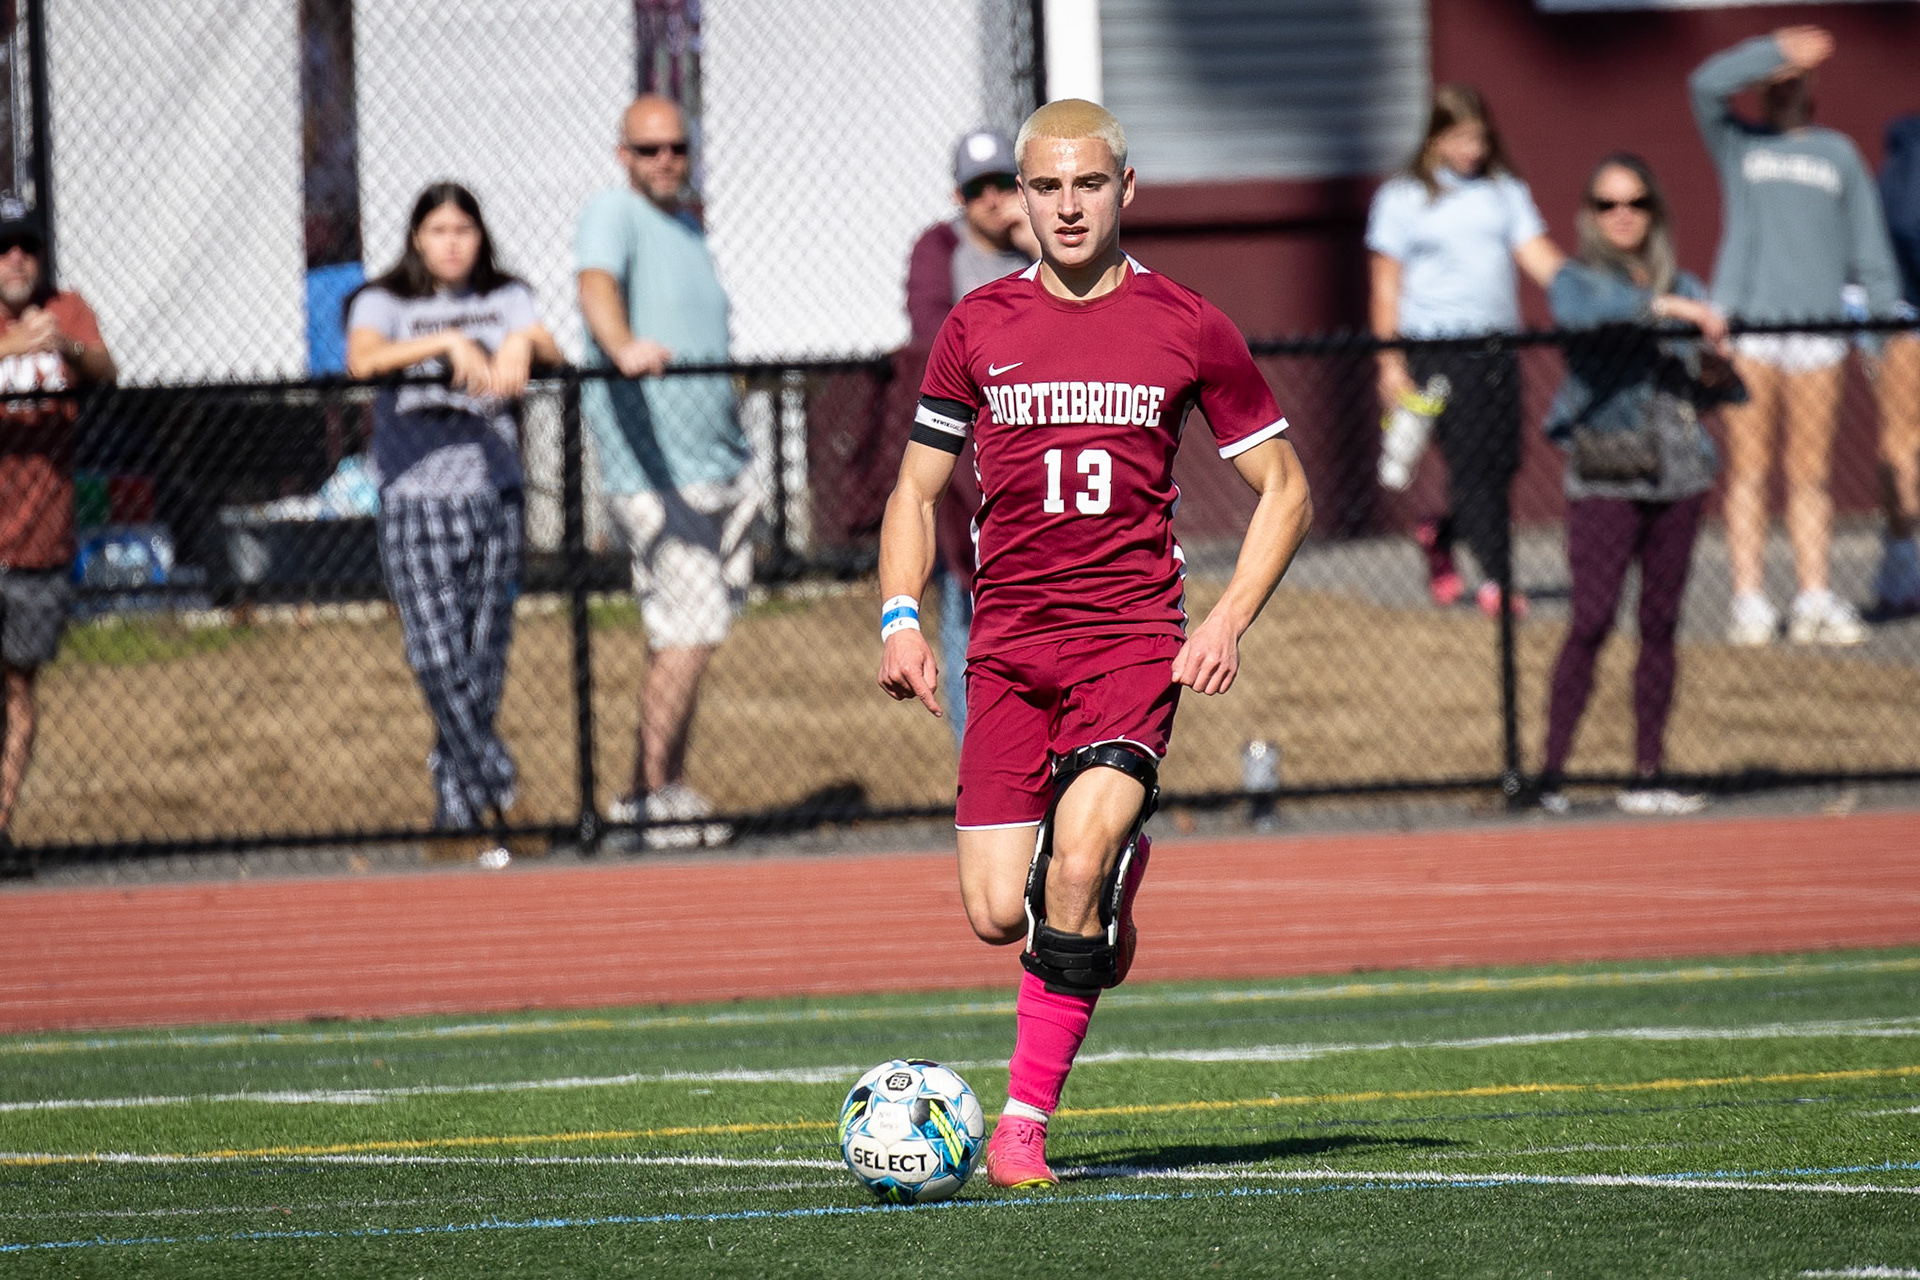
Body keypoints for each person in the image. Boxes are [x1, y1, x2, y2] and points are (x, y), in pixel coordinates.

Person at [876, 100, 1312, 1189]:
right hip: (1006, 648)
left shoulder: (1190, 324)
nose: (1067, 206)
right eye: (1046, 186)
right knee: (996, 913)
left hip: (1129, 641)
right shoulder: (975, 324)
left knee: (1072, 867)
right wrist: (901, 616)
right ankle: (1107, 882)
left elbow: (1286, 488)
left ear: (1126, 189)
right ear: (1019, 199)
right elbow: (916, 489)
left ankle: (1022, 1126)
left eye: (1088, 184)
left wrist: (1226, 618)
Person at [346, 183, 561, 862]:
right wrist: (445, 341)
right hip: (415, 500)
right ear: (417, 237)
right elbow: (361, 359)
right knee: (437, 657)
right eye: (438, 230)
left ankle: (456, 819)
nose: (451, 243)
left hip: (493, 496)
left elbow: (551, 347)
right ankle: (500, 789)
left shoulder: (506, 295)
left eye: (463, 229)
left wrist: (522, 344)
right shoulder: (385, 300)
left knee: (482, 660)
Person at [1535, 156, 1735, 818]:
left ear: (1655, 211)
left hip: (1681, 471)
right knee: (1592, 619)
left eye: (1636, 203)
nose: (1623, 215)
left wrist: (1714, 361)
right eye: (1608, 204)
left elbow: (1715, 387)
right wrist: (1671, 308)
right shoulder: (1580, 281)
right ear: (1590, 215)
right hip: (1606, 473)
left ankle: (1648, 773)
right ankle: (1550, 775)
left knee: (1661, 624)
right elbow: (1584, 313)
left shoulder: (1686, 282)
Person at [1690, 27, 1904, 646]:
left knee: (1810, 473)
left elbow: (1870, 247)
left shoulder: (1838, 155)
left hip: (1819, 332)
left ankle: (1813, 596)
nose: (1783, 88)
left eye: (1794, 80)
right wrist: (1778, 49)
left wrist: (1882, 330)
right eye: (1773, 81)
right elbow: (1704, 85)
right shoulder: (1739, 144)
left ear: (1812, 91)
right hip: (1752, 329)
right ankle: (1749, 602)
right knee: (1750, 470)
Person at [577, 94, 752, 850]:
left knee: (684, 636)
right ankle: (649, 797)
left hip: (718, 464)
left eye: (677, 147)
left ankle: (659, 785)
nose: (666, 161)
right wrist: (622, 345)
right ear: (624, 155)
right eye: (649, 149)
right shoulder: (613, 212)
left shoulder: (688, 228)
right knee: (690, 630)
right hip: (656, 473)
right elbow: (595, 286)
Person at [1367, 84, 1564, 617]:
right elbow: (1386, 284)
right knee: (1473, 464)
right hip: (1438, 353)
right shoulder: (1403, 197)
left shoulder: (1504, 191)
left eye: (1479, 138)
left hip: (1499, 351)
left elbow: (1538, 255)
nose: (1471, 150)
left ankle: (1442, 534)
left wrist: (1589, 293)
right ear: (1434, 137)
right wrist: (1391, 364)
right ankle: (1499, 579)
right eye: (1459, 138)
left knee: (1503, 464)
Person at [903, 128, 1038, 740]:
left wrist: (1035, 241)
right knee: (967, 604)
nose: (992, 199)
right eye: (977, 187)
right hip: (968, 457)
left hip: (1039, 454)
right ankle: (975, 753)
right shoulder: (940, 250)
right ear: (958, 195)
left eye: (1004, 183)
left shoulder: (1042, 250)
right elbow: (935, 337)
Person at [0, 214, 115, 855]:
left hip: (39, 540)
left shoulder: (67, 309)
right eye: (3, 250)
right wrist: (11, 348)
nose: (16, 259)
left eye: (27, 248)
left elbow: (107, 371)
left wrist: (63, 345)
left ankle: (0, 826)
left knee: (20, 686)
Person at [1871, 113, 1920, 616]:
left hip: (1897, 308)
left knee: (1902, 438)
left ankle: (1900, 563)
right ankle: (1901, 564)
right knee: (1903, 439)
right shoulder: (1912, 150)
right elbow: (1908, 225)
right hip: (1905, 310)